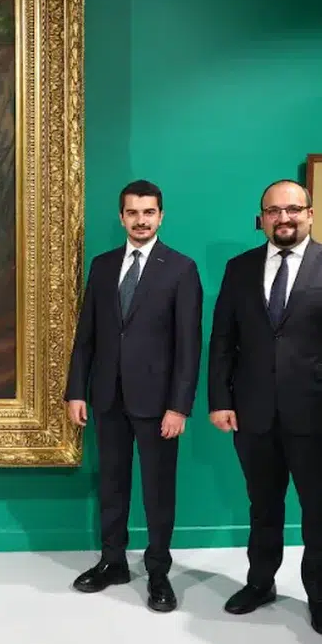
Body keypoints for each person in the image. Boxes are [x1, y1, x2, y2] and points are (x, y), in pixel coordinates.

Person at [206, 179, 322, 636]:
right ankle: (260, 583)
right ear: (262, 218)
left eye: (293, 209)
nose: (284, 218)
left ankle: (320, 596)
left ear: (310, 214)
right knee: (262, 505)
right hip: (252, 412)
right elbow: (222, 340)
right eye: (274, 211)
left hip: (318, 415)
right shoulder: (239, 268)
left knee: (318, 510)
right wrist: (220, 399)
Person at [64, 180, 202, 612]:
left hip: (158, 404)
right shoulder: (103, 266)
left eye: (148, 213)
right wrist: (76, 390)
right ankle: (113, 562)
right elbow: (86, 335)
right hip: (107, 397)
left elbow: (189, 345)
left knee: (158, 491)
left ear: (161, 216)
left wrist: (179, 406)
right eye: (133, 213)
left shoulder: (181, 268)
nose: (141, 221)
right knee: (111, 484)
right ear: (121, 217)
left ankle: (158, 571)